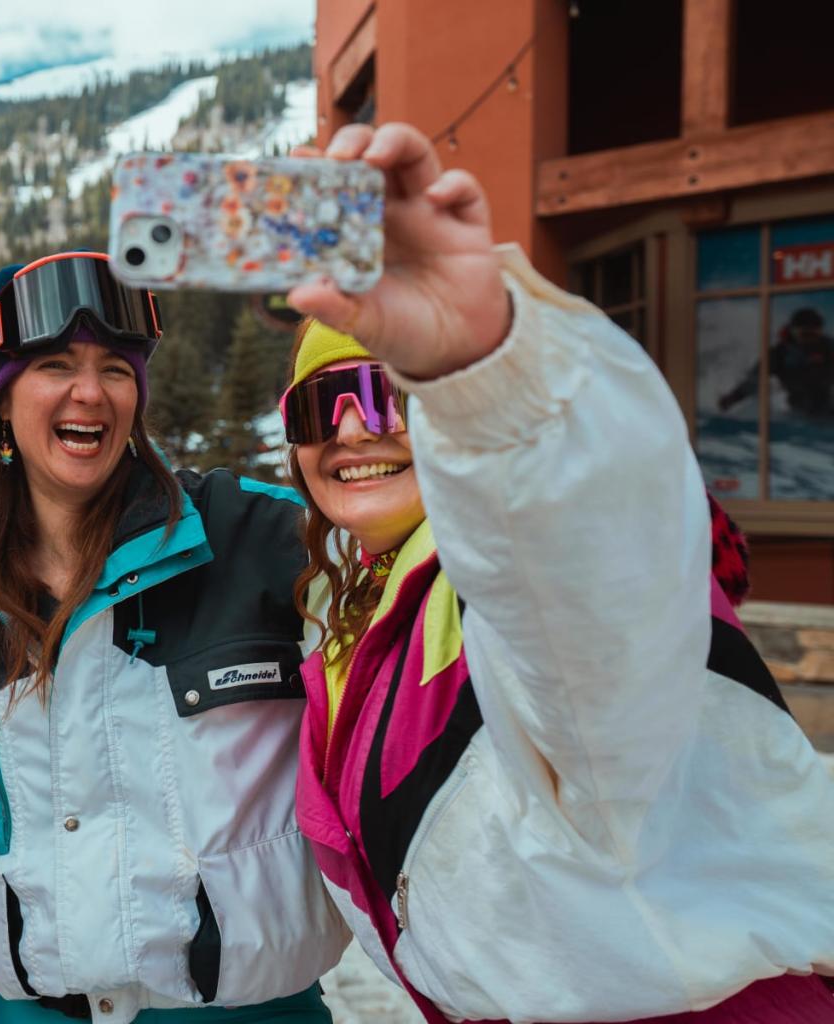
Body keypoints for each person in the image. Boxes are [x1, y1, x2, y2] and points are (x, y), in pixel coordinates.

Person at [282, 122, 834, 1022]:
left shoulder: (505, 576)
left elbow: (576, 577)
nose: (351, 429)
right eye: (320, 404)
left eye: (388, 390)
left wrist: (485, 376)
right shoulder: (370, 626)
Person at [0, 251, 349, 1022]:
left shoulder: (263, 541)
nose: (90, 391)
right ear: (3, 397)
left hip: (254, 1013)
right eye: (55, 364)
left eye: (116, 368)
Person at [718, 306, 834, 418]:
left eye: (814, 335)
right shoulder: (779, 354)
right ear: (793, 331)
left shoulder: (828, 348)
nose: (810, 340)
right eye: (805, 335)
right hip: (800, 408)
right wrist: (732, 399)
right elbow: (753, 381)